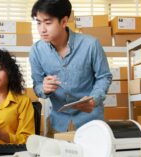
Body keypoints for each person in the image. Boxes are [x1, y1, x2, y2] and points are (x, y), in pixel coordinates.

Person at [29, 0, 112, 135]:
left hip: (90, 121)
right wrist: (44, 89)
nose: (42, 29)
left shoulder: (91, 44)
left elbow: (104, 77)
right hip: (58, 122)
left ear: (64, 22)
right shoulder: (36, 51)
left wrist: (94, 98)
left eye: (48, 23)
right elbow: (37, 85)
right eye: (38, 22)